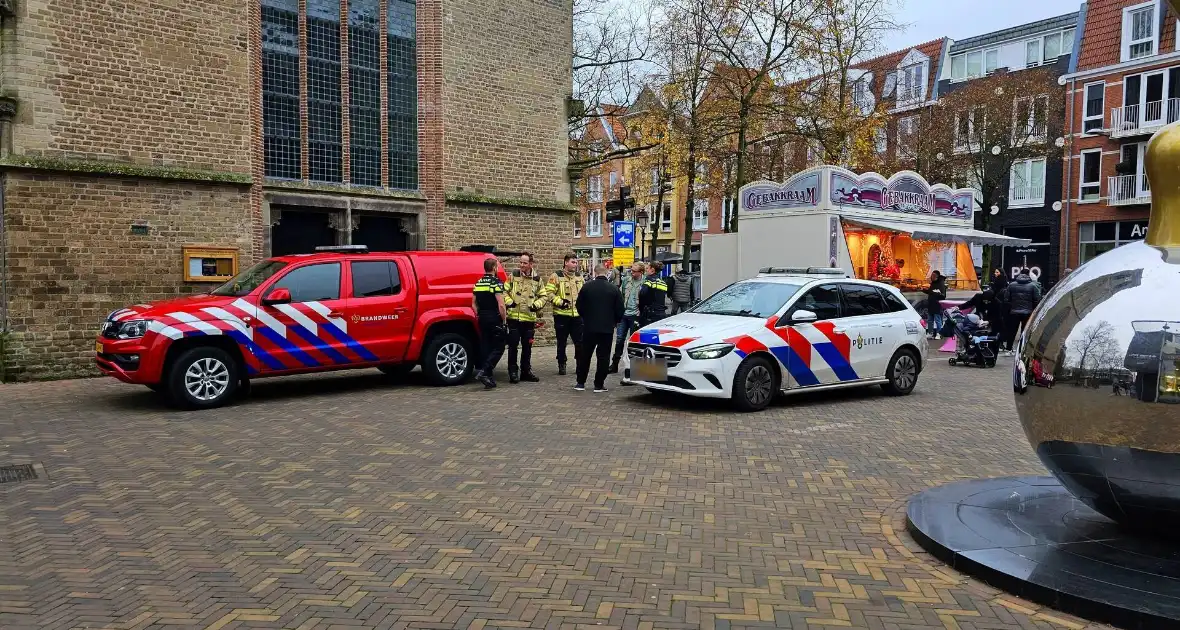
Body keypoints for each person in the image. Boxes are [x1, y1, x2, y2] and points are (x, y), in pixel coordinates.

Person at [575, 263, 624, 392]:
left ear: (595, 273)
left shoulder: (586, 287)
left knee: (585, 355)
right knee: (603, 356)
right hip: (606, 328)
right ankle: (599, 384)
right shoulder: (614, 289)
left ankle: (580, 383)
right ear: (607, 272)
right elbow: (620, 309)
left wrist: (585, 317)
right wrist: (615, 321)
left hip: (589, 327)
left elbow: (579, 305)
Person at [502, 252, 546, 384]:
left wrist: (536, 305)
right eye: (520, 262)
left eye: (524, 263)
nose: (521, 265)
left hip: (529, 319)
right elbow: (504, 291)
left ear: (531, 264)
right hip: (514, 318)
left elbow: (543, 296)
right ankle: (513, 372)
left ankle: (526, 371)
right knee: (513, 346)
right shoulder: (513, 275)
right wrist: (510, 302)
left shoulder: (537, 279)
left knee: (527, 347)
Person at [544, 254, 586, 375]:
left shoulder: (579, 277)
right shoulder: (556, 276)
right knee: (561, 342)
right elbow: (548, 292)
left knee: (579, 342)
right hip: (561, 315)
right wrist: (560, 302)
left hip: (577, 316)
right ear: (566, 262)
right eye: (573, 262)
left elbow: (583, 293)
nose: (575, 264)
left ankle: (579, 365)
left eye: (576, 262)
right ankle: (562, 363)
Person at [471, 257, 508, 389]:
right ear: (494, 268)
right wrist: (504, 319)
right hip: (494, 317)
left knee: (486, 346)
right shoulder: (496, 282)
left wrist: (478, 315)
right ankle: (485, 371)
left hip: (482, 317)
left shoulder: (478, 282)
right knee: (499, 347)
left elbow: (473, 304)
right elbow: (501, 304)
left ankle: (489, 378)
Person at [610, 262, 644, 374]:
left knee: (633, 342)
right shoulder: (626, 280)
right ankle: (614, 364)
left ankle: (633, 369)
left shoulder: (645, 283)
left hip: (636, 315)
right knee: (619, 339)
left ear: (641, 272)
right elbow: (622, 295)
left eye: (634, 271)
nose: (632, 273)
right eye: (631, 270)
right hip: (625, 314)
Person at [1004, 267, 1042, 351]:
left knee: (1012, 331)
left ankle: (1009, 348)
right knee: (1024, 332)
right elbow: (1037, 299)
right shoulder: (1033, 286)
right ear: (1029, 275)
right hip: (1028, 312)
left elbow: (1006, 299)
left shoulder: (1011, 285)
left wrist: (1012, 306)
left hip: (1014, 311)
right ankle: (1021, 349)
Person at [638, 261, 669, 326]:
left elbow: (642, 296)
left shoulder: (649, 282)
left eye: (647, 268)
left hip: (650, 315)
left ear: (652, 270)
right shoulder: (663, 283)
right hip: (661, 314)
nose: (646, 270)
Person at [923, 270, 948, 339]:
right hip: (931, 304)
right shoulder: (933, 283)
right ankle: (930, 333)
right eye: (932, 275)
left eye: (933, 275)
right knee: (930, 320)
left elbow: (943, 295)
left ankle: (939, 333)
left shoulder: (941, 284)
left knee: (938, 320)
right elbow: (930, 292)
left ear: (937, 276)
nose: (932, 276)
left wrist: (937, 293)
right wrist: (924, 290)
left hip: (937, 304)